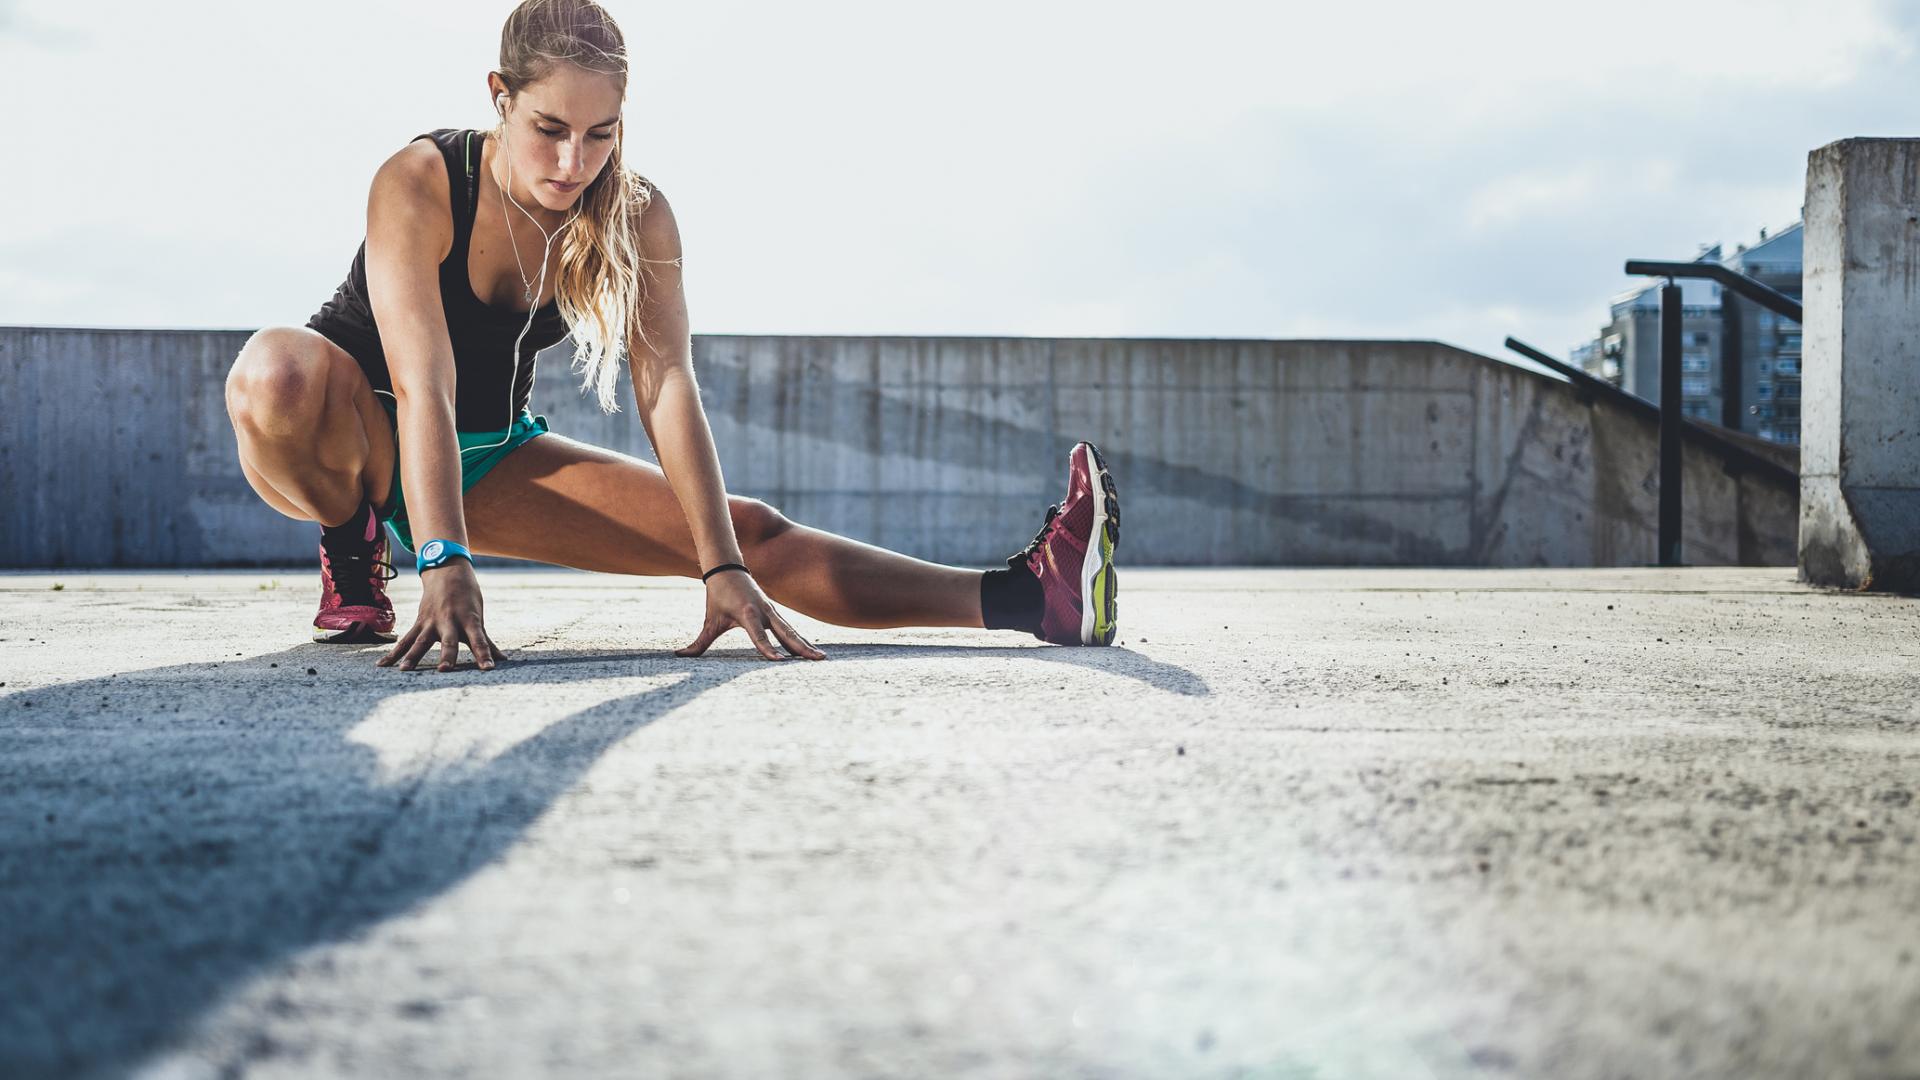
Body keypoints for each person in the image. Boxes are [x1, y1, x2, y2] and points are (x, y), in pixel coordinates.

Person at [223, 0, 1119, 673]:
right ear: (499, 97)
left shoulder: (634, 213)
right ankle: (354, 547)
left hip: (484, 452)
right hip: (360, 427)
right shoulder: (419, 180)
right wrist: (442, 556)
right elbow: (422, 383)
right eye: (548, 131)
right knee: (277, 374)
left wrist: (719, 563)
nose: (573, 164)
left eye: (598, 135)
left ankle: (1030, 597)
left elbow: (667, 386)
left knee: (751, 538)